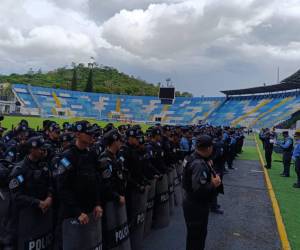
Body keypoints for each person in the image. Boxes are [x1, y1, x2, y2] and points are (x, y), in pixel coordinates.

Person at [182, 135, 222, 250]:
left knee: (194, 236)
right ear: (209, 148)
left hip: (190, 202)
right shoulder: (199, 164)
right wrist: (213, 184)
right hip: (196, 205)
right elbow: (199, 190)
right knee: (197, 237)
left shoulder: (191, 157)